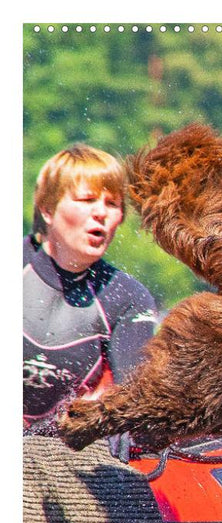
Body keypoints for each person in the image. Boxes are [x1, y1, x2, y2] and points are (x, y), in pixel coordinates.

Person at [23, 143, 158, 433]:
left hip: (57, 452)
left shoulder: (129, 298)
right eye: (87, 199)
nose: (101, 213)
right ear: (47, 209)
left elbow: (135, 401)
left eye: (112, 204)